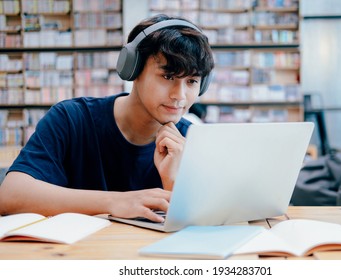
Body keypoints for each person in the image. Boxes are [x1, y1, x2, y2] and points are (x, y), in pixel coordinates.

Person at [0, 14, 214, 223]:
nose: (180, 95)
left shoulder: (192, 140)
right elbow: (10, 195)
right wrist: (116, 201)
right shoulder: (72, 119)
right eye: (168, 77)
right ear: (132, 69)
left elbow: (204, 228)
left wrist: (173, 181)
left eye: (192, 81)